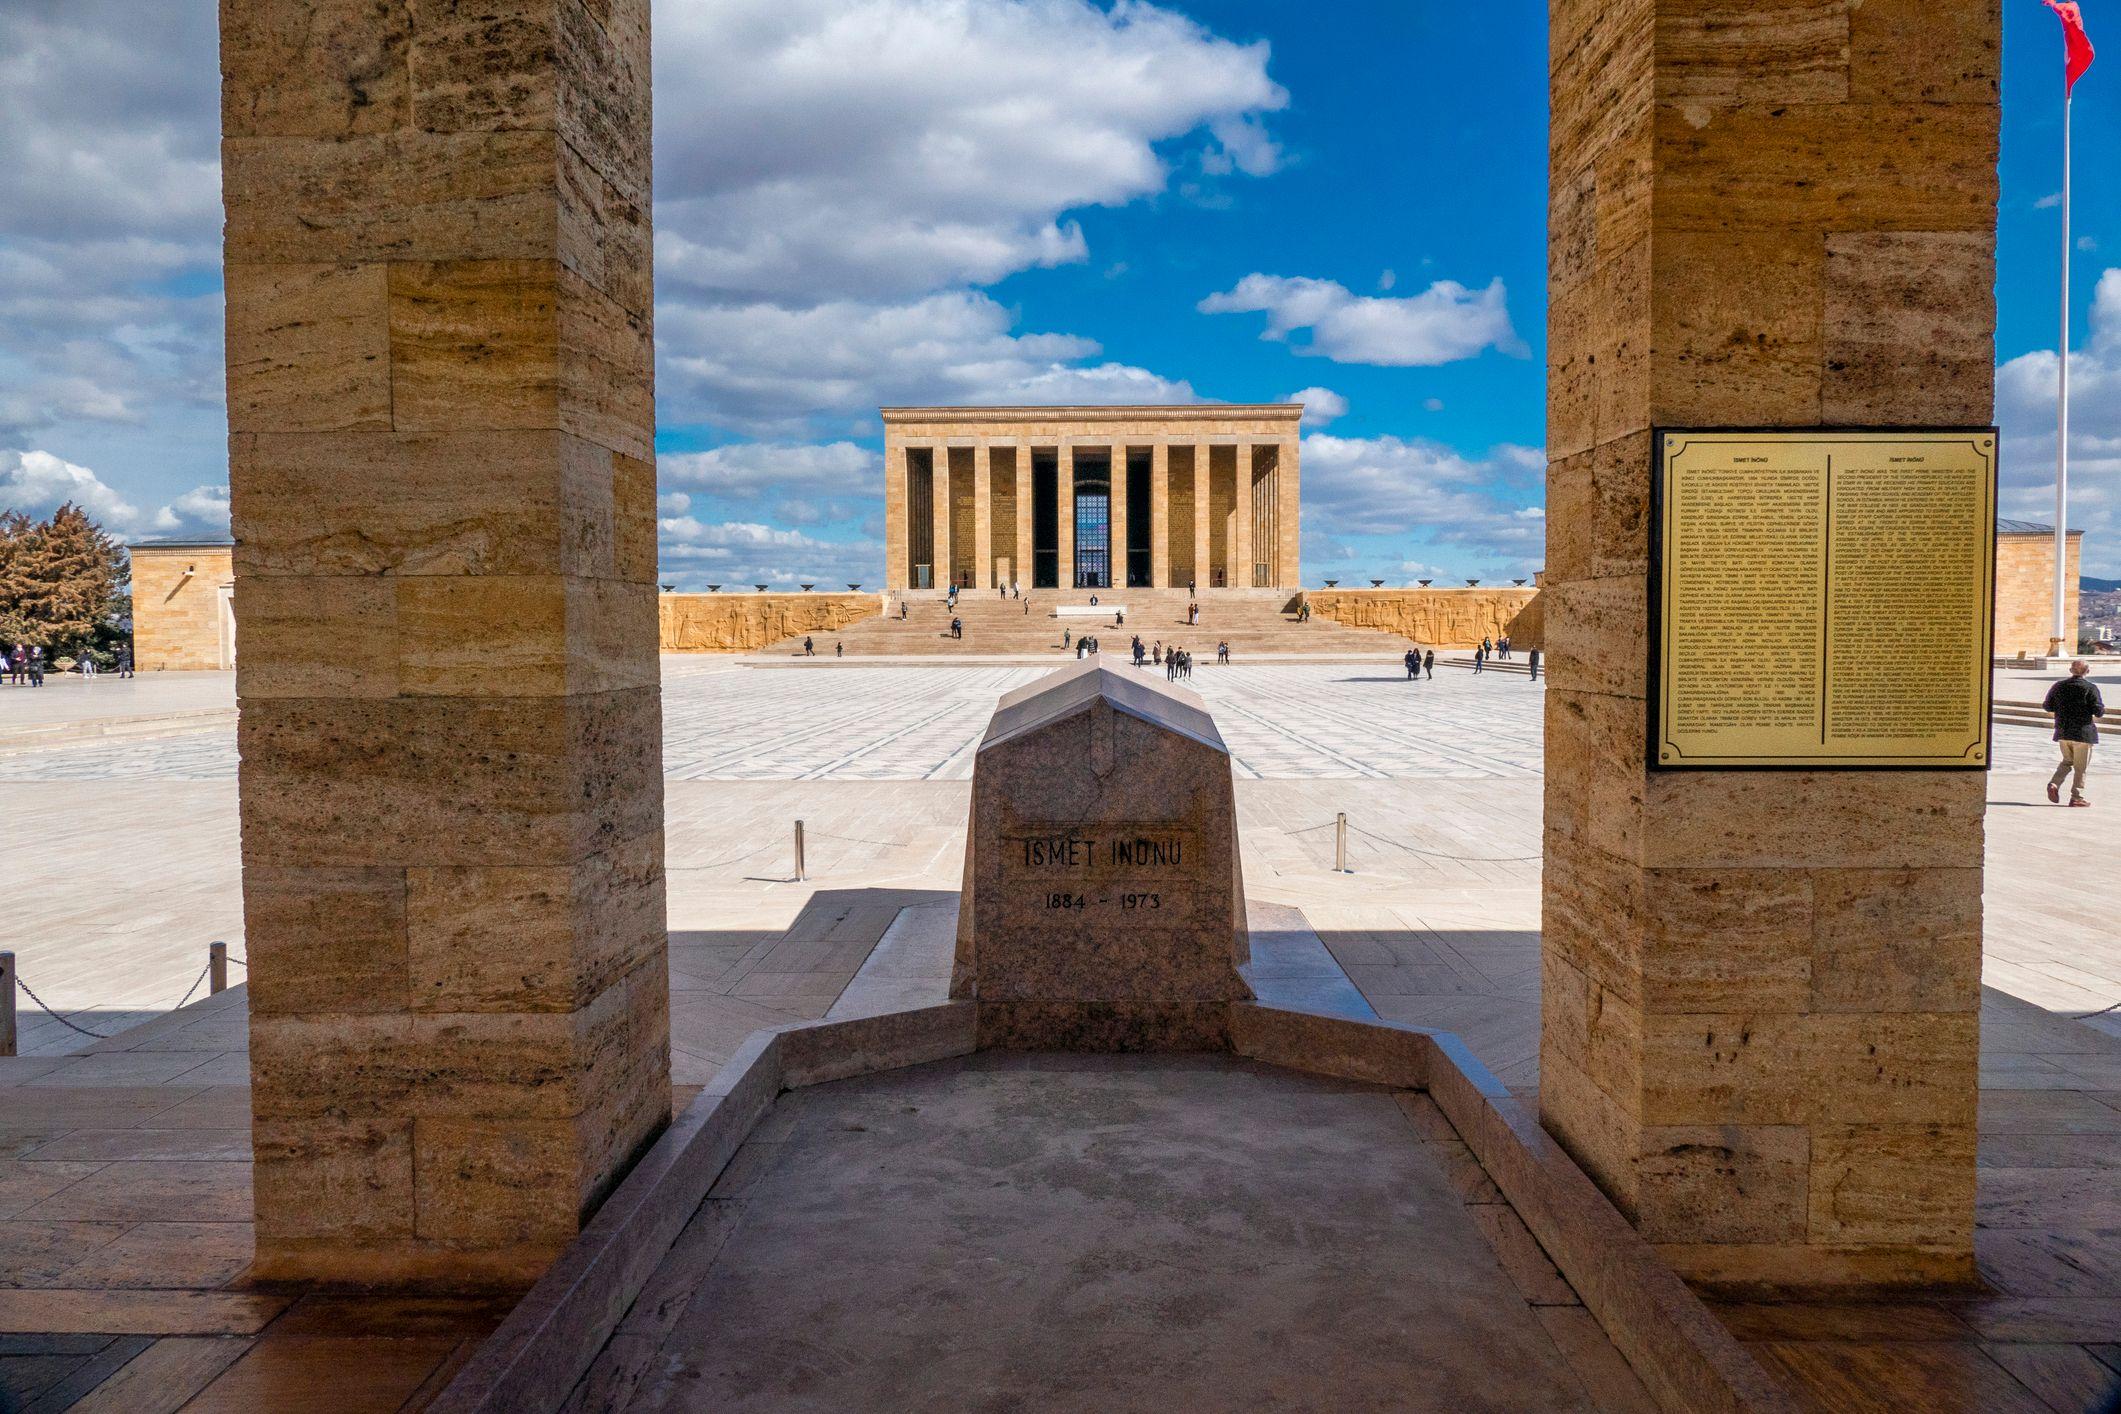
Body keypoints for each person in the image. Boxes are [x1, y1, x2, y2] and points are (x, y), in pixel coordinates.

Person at [2044, 660, 2104, 807]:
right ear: (2087, 671)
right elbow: (2098, 711)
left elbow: (2047, 706)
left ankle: (2054, 784)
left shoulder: (2058, 686)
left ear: (2071, 670)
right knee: (2080, 768)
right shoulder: (2090, 688)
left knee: (2067, 761)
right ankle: (2076, 797)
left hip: (2063, 731)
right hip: (2082, 733)